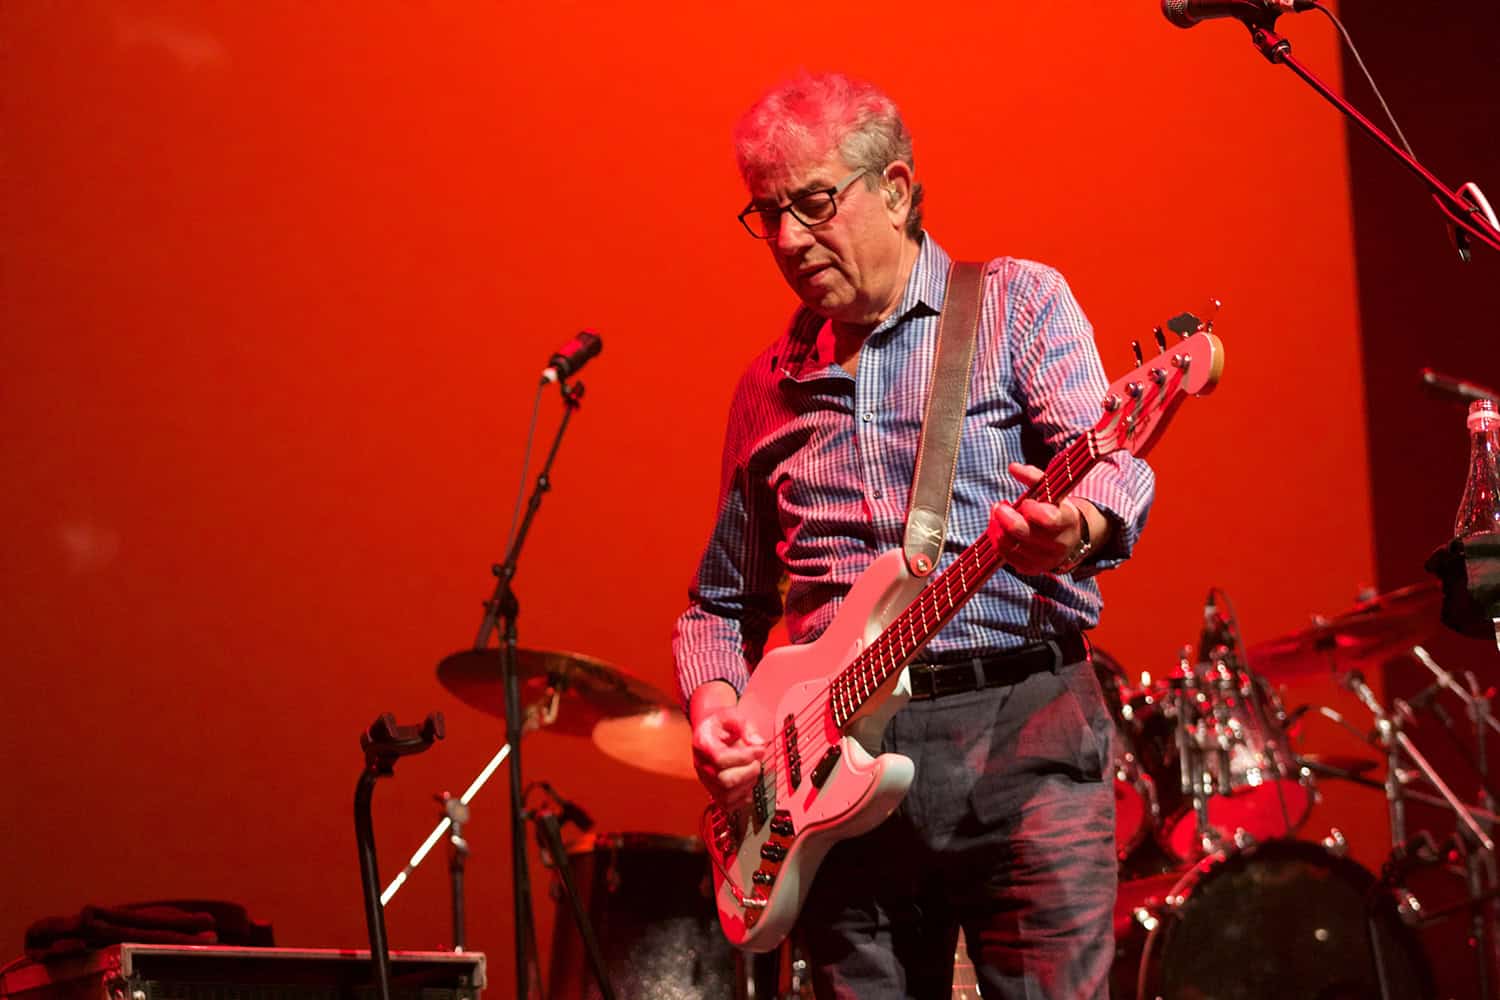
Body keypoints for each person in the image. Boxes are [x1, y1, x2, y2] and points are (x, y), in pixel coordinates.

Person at [672, 71, 1155, 999]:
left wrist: (1079, 527)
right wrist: (715, 709)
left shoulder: (1017, 304)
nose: (788, 239)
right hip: (827, 780)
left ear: (895, 190)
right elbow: (717, 605)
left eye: (814, 204)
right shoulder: (766, 389)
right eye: (767, 214)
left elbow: (1108, 459)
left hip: (1022, 738)